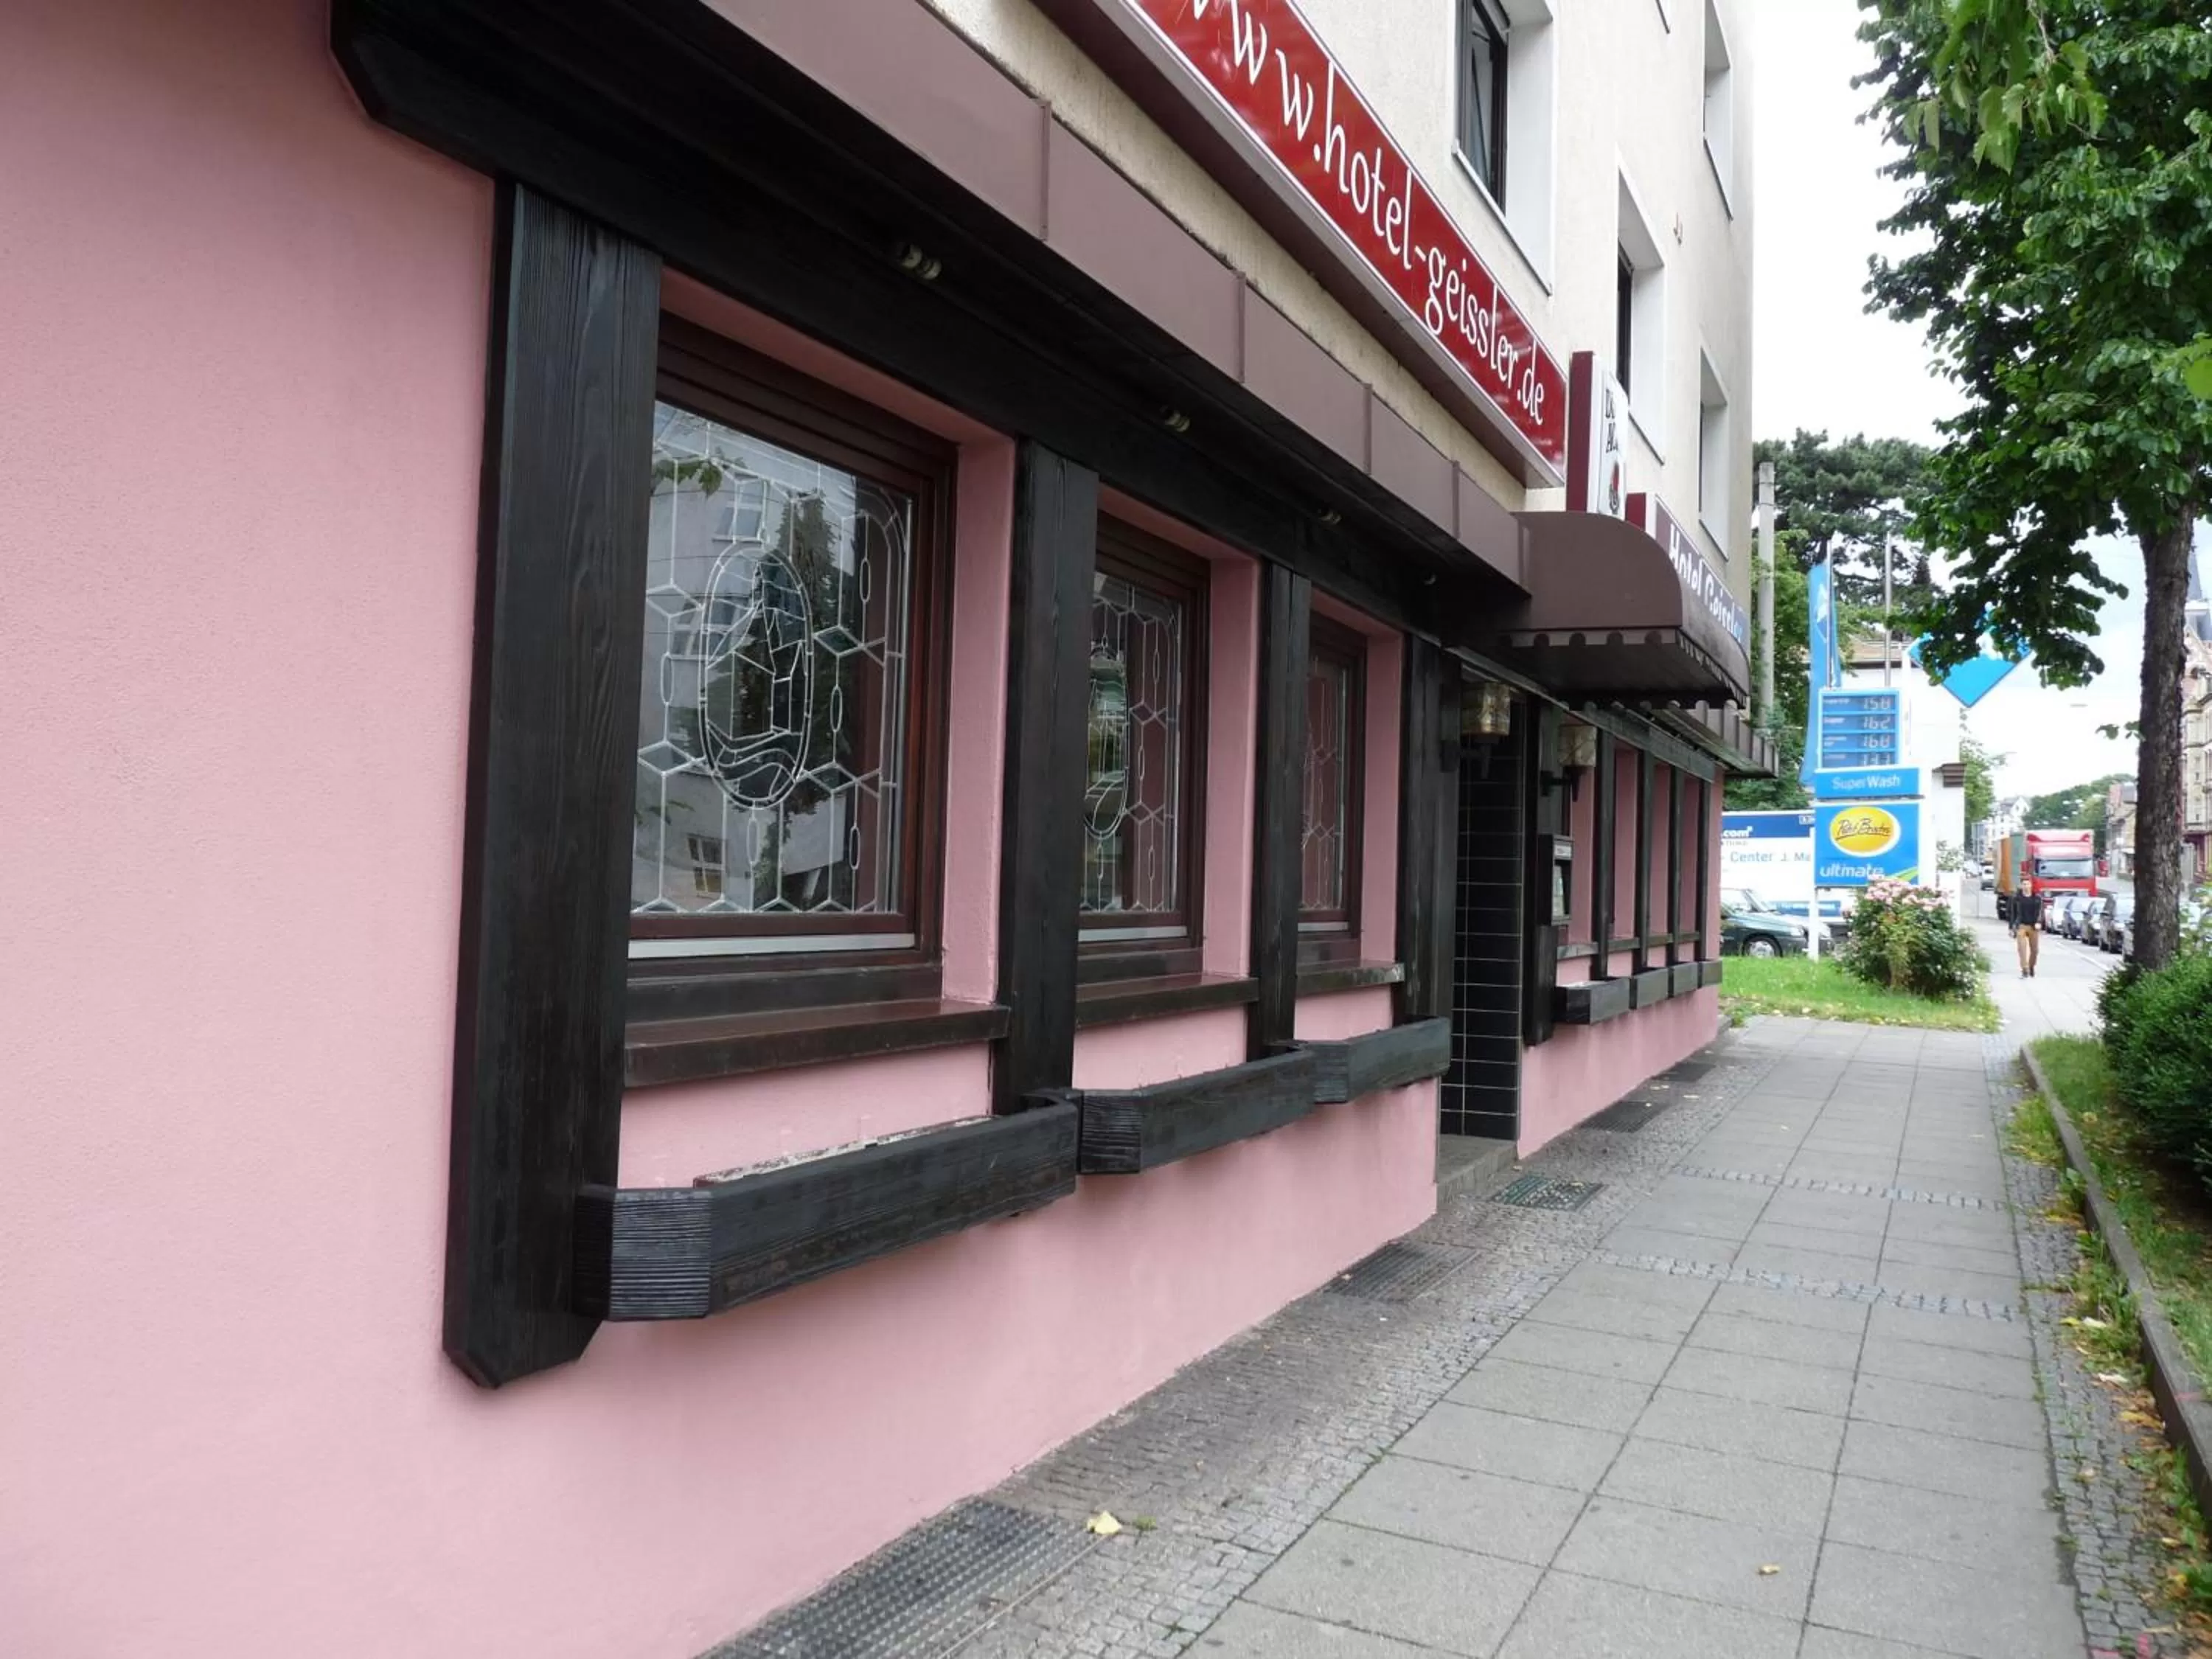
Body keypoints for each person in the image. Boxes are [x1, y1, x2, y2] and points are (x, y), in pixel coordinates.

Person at [2014, 879, 2042, 977]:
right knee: (2022, 947)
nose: (2026, 886)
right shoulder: (2017, 898)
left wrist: (2038, 922)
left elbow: (2040, 912)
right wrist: (2011, 927)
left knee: (2035, 950)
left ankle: (2031, 966)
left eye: (2027, 884)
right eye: (2024, 884)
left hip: (2033, 926)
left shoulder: (2037, 898)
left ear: (2031, 886)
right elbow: (2012, 914)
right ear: (2021, 886)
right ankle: (2024, 968)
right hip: (2021, 925)